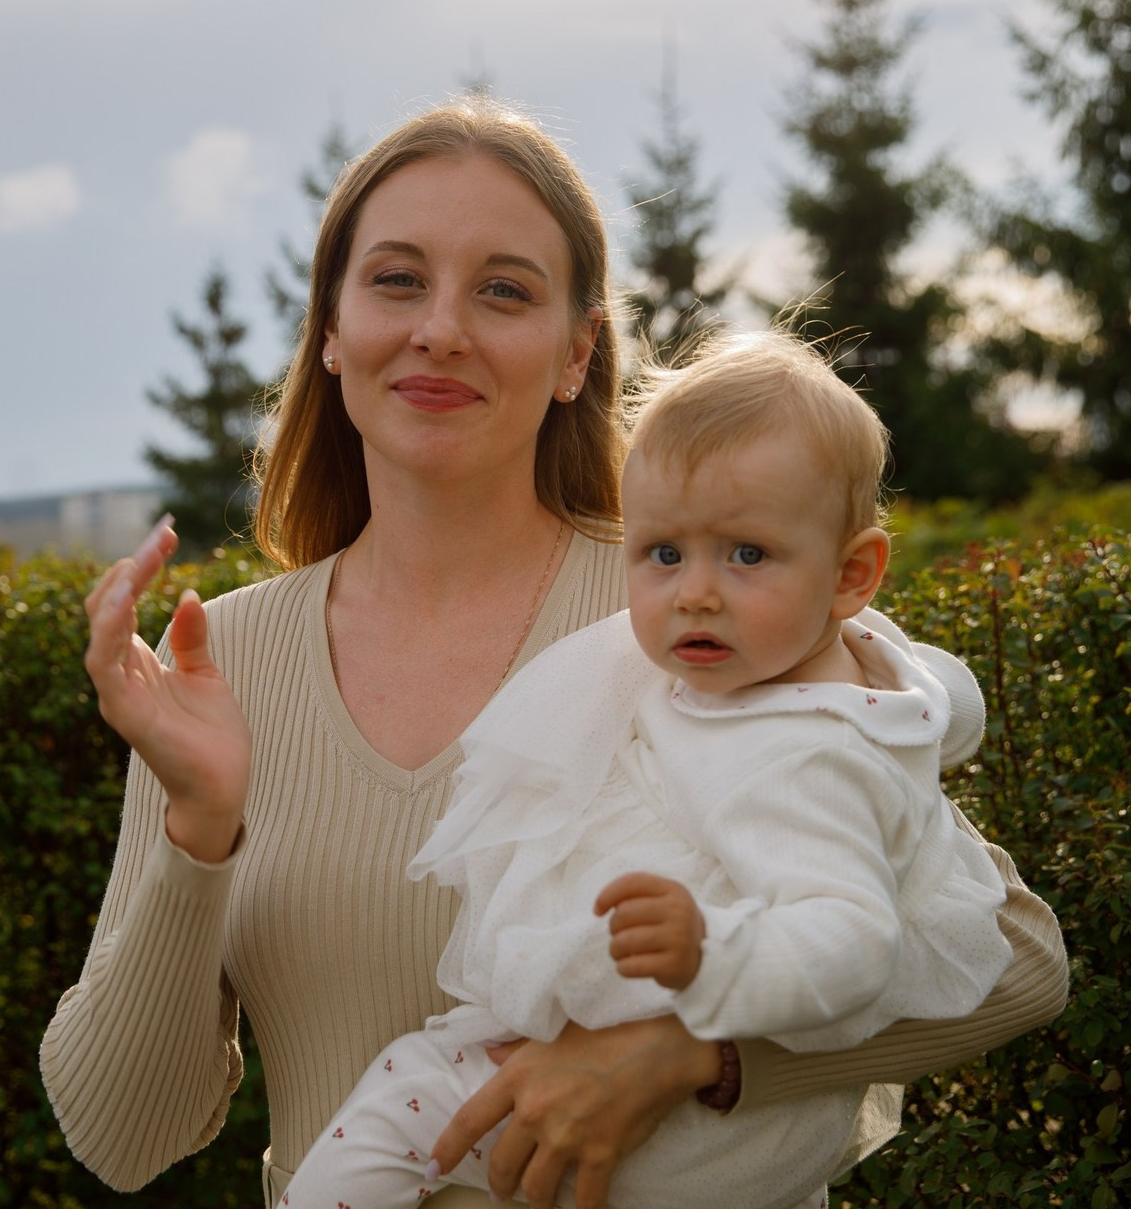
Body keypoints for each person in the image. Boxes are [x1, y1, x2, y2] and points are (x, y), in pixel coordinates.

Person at [39, 96, 1067, 1209]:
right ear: (330, 328)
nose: (441, 328)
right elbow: (122, 1135)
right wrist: (199, 831)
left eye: (503, 290)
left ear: (578, 350)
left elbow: (1014, 958)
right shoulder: (223, 660)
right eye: (396, 279)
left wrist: (695, 1052)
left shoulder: (693, 608)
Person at [277, 330, 1017, 1209]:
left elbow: (857, 939)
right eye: (664, 554)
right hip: (654, 1094)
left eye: (747, 554)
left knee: (407, 1100)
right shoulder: (793, 680)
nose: (695, 592)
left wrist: (713, 954)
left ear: (852, 575)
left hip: (683, 1124)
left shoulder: (811, 754)